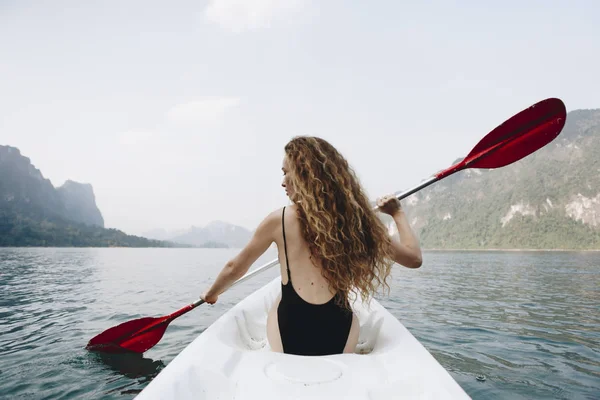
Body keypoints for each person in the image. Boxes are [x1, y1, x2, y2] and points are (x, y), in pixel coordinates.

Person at [201, 136, 422, 356]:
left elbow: (235, 268)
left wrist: (211, 293)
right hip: (338, 332)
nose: (283, 181)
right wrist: (397, 213)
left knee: (279, 299)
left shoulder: (279, 219)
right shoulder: (357, 222)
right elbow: (413, 259)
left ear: (306, 174)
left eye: (286, 172)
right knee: (346, 308)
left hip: (290, 333)